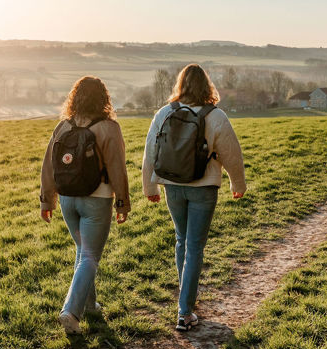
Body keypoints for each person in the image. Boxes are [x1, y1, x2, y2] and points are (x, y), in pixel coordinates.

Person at [142, 64, 246, 331]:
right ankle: (185, 311)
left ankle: (185, 298)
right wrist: (238, 183)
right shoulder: (216, 116)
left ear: (180, 84)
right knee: (194, 247)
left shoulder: (165, 113)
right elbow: (231, 153)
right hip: (203, 187)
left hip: (171, 186)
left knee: (181, 240)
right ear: (206, 86)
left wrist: (149, 186)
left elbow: (151, 153)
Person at [40, 76, 131, 334]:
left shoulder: (62, 127)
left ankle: (89, 305)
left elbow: (48, 166)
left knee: (82, 252)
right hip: (97, 199)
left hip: (68, 199)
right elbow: (117, 169)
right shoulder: (109, 128)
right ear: (103, 99)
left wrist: (47, 200)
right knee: (90, 256)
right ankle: (71, 311)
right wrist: (122, 202)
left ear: (75, 97)